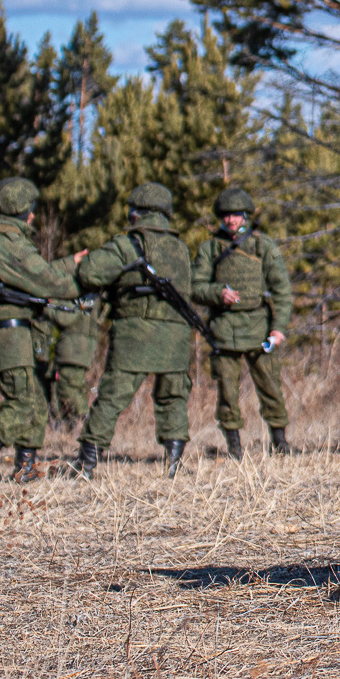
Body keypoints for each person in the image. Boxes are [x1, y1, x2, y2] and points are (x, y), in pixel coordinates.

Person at [74, 183, 198, 478]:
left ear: (136, 214)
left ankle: (87, 463)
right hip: (176, 335)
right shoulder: (180, 247)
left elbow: (90, 271)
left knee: (113, 396)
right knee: (173, 395)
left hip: (135, 332)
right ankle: (175, 462)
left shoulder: (128, 244)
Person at [0, 177, 80, 482]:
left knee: (36, 402)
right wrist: (83, 280)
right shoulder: (9, 244)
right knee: (22, 403)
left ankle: (25, 466)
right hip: (10, 334)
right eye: (29, 210)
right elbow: (46, 279)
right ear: (19, 211)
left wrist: (70, 262)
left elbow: (31, 275)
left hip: (7, 332)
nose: (33, 216)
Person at [191, 186, 294, 458]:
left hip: (259, 326)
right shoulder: (210, 248)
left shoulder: (263, 245)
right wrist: (217, 293)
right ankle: (234, 448)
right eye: (226, 215)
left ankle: (280, 443)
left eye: (236, 215)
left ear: (246, 215)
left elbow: (282, 289)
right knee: (227, 391)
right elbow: (195, 286)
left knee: (270, 387)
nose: (231, 221)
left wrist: (279, 327)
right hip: (223, 329)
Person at [40, 297, 103, 430]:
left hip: (73, 349)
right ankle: (73, 425)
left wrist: (48, 306)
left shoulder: (76, 292)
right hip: (82, 348)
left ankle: (84, 421)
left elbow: (64, 318)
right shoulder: (92, 294)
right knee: (75, 388)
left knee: (68, 389)